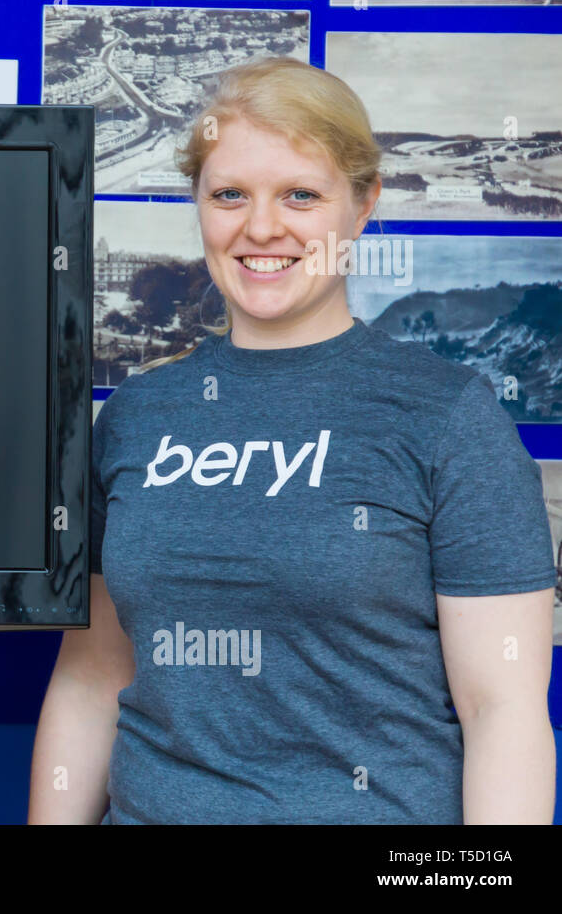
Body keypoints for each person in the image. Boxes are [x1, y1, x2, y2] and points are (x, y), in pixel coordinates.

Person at [29, 56, 557, 824]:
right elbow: (90, 679)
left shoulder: (449, 417)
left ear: (364, 206)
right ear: (200, 206)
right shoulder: (138, 416)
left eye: (301, 195)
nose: (262, 227)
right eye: (230, 194)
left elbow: (502, 713)